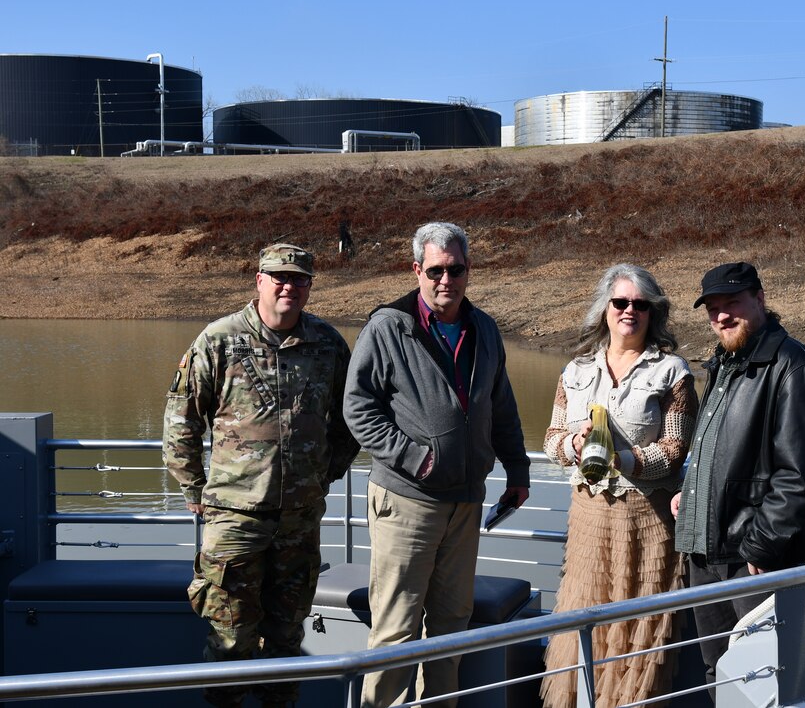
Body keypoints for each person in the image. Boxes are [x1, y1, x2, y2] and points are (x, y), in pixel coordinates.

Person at [342, 221, 531, 708]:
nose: (446, 279)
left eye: (456, 269)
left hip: (466, 502)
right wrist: (415, 458)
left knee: (451, 627)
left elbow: (501, 406)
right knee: (397, 631)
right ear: (416, 271)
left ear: (469, 270)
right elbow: (357, 407)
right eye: (435, 270)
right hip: (407, 501)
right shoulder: (389, 327)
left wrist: (518, 471)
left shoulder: (484, 328)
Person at [163, 243, 360, 708]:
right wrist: (194, 488)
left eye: (299, 279)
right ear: (259, 280)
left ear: (311, 285)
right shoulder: (219, 339)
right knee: (230, 639)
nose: (288, 286)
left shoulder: (328, 344)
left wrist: (324, 473)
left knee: (288, 637)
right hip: (235, 518)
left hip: (299, 520)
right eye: (279, 277)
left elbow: (352, 418)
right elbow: (181, 420)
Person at [671, 261, 805, 688]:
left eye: (733, 303)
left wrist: (762, 548)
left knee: (762, 678)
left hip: (752, 562)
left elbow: (798, 477)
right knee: (717, 673)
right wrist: (691, 494)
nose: (722, 315)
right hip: (706, 552)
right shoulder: (724, 366)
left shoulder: (795, 367)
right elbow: (722, 452)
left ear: (760, 299)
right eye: (713, 308)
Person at [541, 264, 698, 708]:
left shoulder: (672, 372)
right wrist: (573, 444)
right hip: (589, 521)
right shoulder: (575, 370)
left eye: (640, 304)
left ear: (653, 313)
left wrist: (624, 459)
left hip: (646, 523)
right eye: (621, 302)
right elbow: (550, 439)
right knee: (584, 626)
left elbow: (675, 447)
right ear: (604, 310)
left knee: (638, 636)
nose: (630, 311)